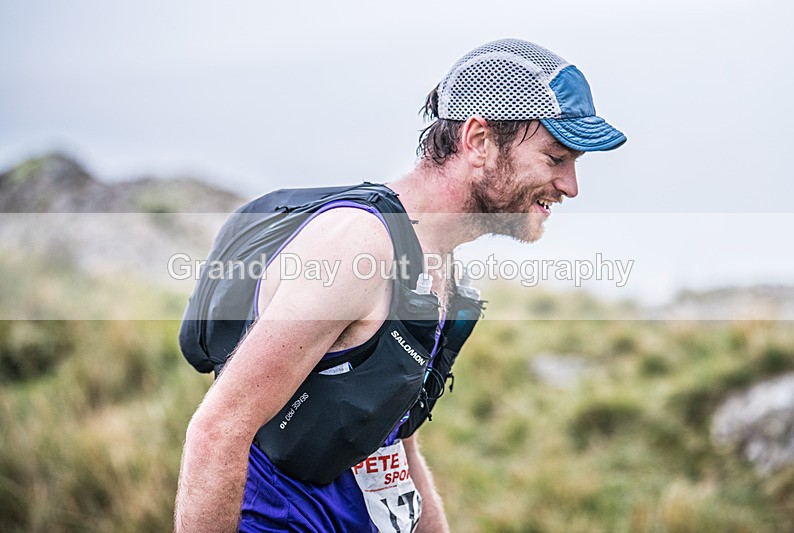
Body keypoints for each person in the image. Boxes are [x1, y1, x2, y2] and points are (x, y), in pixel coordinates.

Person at [175, 38, 626, 532]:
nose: (571, 186)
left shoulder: (440, 266)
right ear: (478, 140)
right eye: (556, 157)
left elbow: (389, 435)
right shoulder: (358, 247)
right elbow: (218, 431)